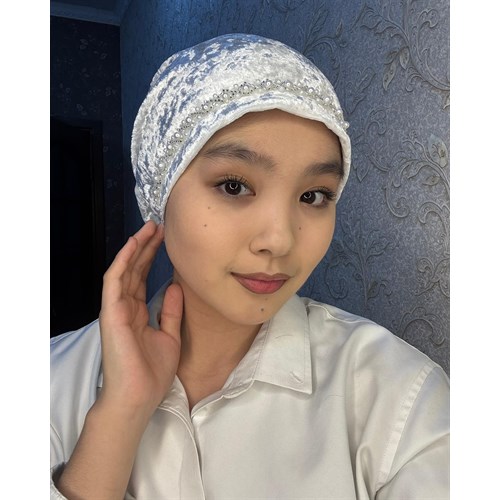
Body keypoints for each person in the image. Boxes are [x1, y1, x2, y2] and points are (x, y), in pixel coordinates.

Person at [50, 34, 449, 499]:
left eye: (313, 195)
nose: (280, 240)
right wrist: (120, 412)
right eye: (234, 186)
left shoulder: (400, 396)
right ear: (161, 193)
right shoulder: (47, 381)